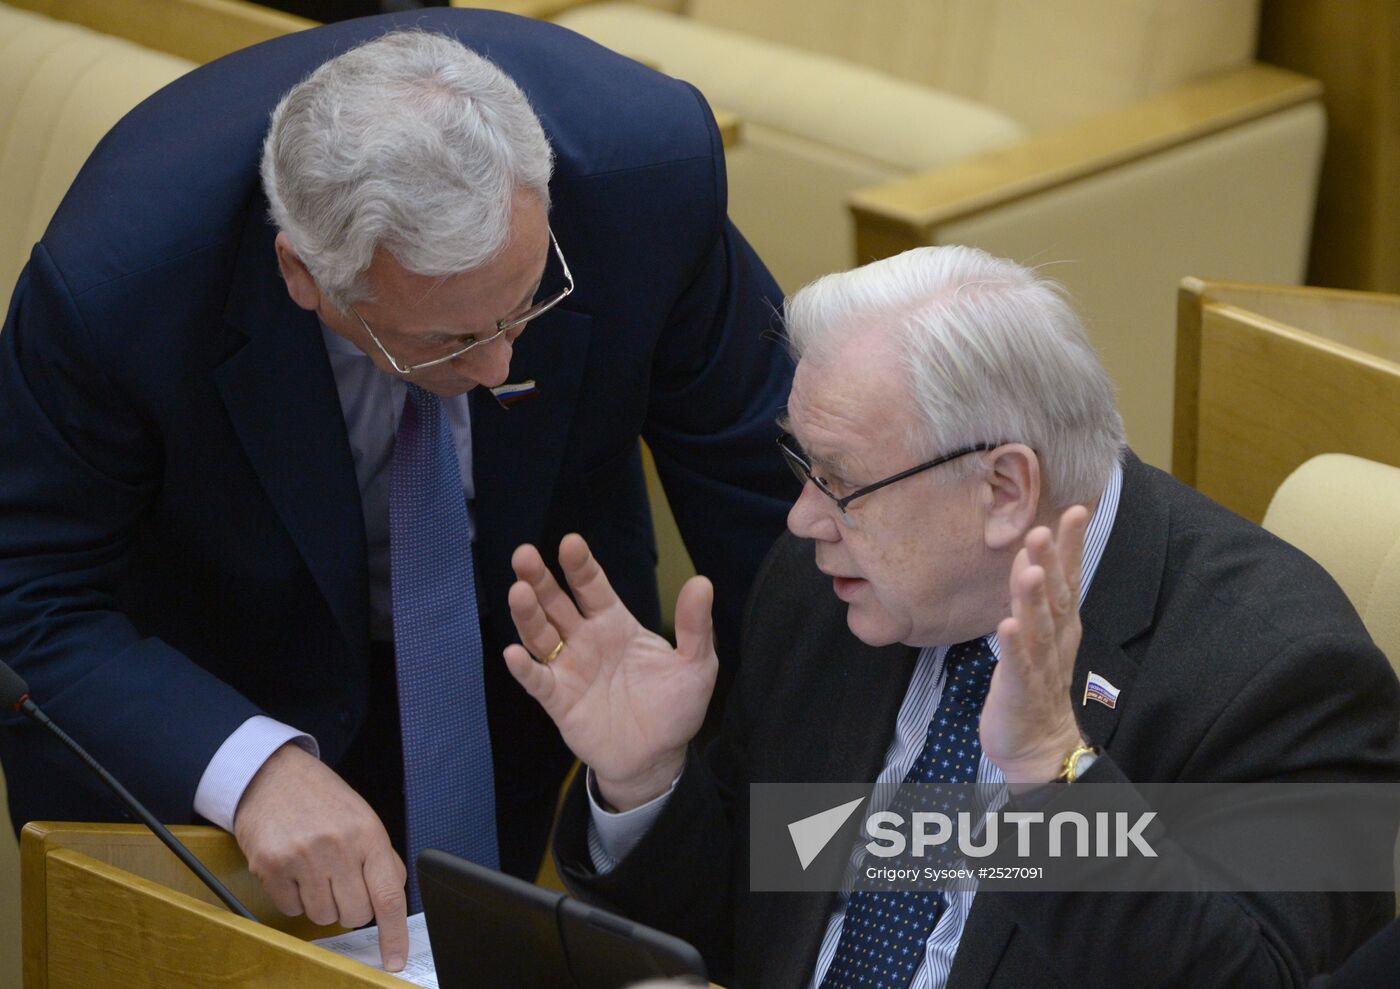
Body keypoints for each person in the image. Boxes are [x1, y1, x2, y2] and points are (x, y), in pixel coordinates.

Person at [0, 10, 794, 971]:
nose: (506, 362)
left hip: (520, 662)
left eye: (527, 302)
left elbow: (774, 508)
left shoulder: (644, 175)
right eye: (451, 341)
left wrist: (809, 826)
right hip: (213, 674)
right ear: (306, 274)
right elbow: (26, 589)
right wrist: (246, 768)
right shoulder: (120, 282)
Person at [504, 246, 1400, 988]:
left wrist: (1051, 782)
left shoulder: (1291, 672)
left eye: (841, 482)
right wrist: (648, 781)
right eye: (800, 464)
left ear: (1005, 489)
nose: (804, 519)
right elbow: (759, 910)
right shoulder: (830, 591)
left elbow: (1257, 979)